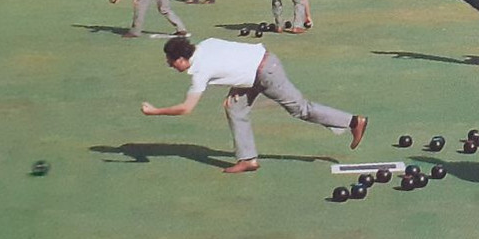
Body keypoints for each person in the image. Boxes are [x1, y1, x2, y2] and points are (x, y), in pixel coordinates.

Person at [142, 36, 367, 175]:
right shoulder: (206, 44)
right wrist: (240, 87)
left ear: (181, 59)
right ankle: (248, 159)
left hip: (267, 72)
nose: (169, 65)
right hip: (258, 66)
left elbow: (186, 108)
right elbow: (234, 58)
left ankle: (352, 121)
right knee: (234, 107)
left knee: (300, 109)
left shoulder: (201, 70)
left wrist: (154, 111)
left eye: (170, 62)